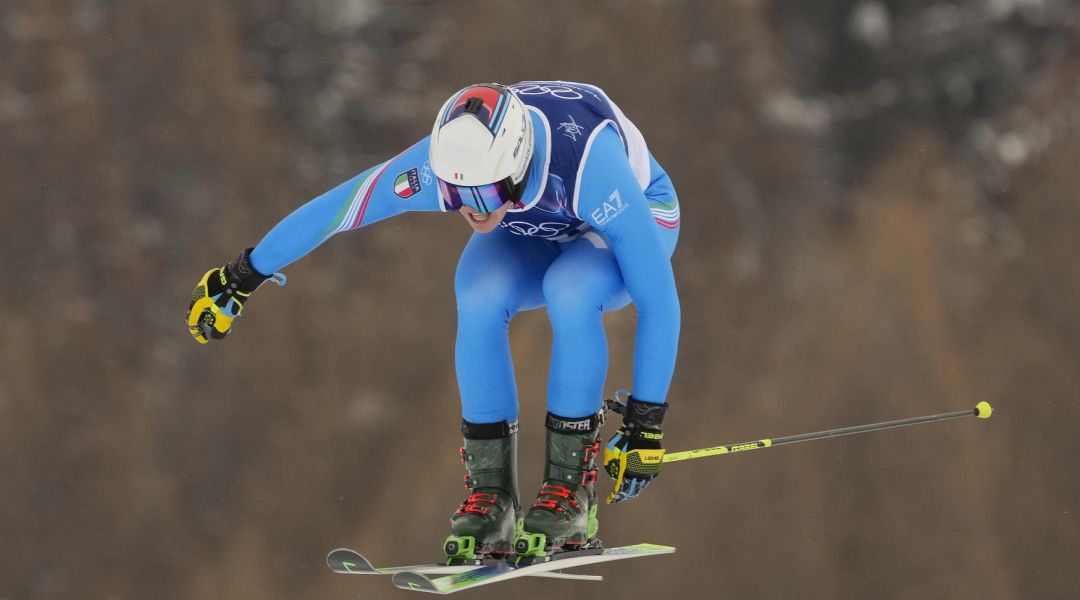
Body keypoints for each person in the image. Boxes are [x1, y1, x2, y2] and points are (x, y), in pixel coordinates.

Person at [187, 81, 681, 559]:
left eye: (482, 196)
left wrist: (646, 424)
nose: (470, 210)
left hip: (625, 221)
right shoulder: (450, 165)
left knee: (570, 292)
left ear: (514, 167)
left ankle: (570, 494)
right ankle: (493, 499)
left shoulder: (591, 169)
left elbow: (659, 302)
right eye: (455, 196)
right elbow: (341, 207)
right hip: (537, 222)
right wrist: (243, 275)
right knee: (477, 291)